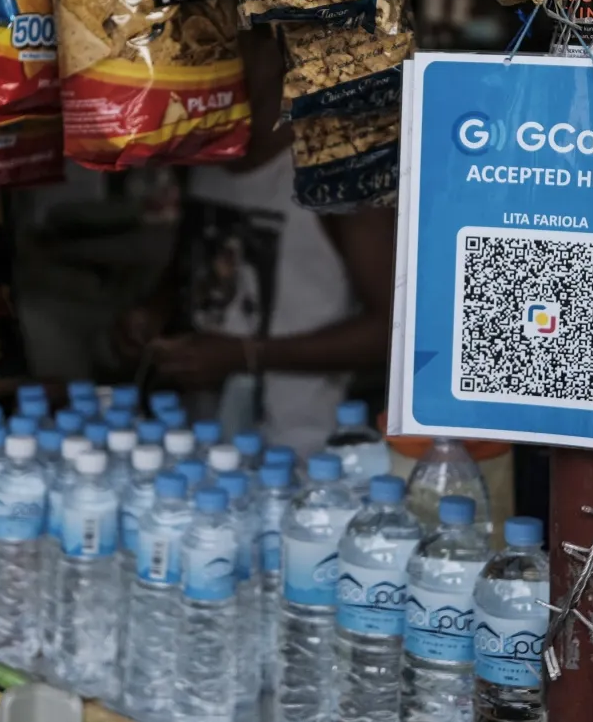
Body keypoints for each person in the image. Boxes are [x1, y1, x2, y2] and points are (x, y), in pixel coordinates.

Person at [115, 33, 394, 453]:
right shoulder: (203, 158)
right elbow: (188, 271)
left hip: (307, 455)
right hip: (203, 445)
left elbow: (392, 331)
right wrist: (154, 312)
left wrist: (245, 355)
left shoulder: (335, 168)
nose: (216, 63)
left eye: (235, 45)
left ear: (281, 51)